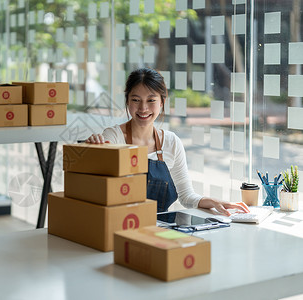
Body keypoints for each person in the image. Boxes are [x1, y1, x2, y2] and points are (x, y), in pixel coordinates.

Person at [86, 67, 249, 216]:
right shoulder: (113, 137)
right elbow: (95, 190)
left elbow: (186, 196)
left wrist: (214, 202)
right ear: (127, 101)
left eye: (151, 100)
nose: (143, 108)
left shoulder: (171, 143)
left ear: (162, 103)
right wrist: (91, 153)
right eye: (136, 100)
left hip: (159, 227)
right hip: (120, 224)